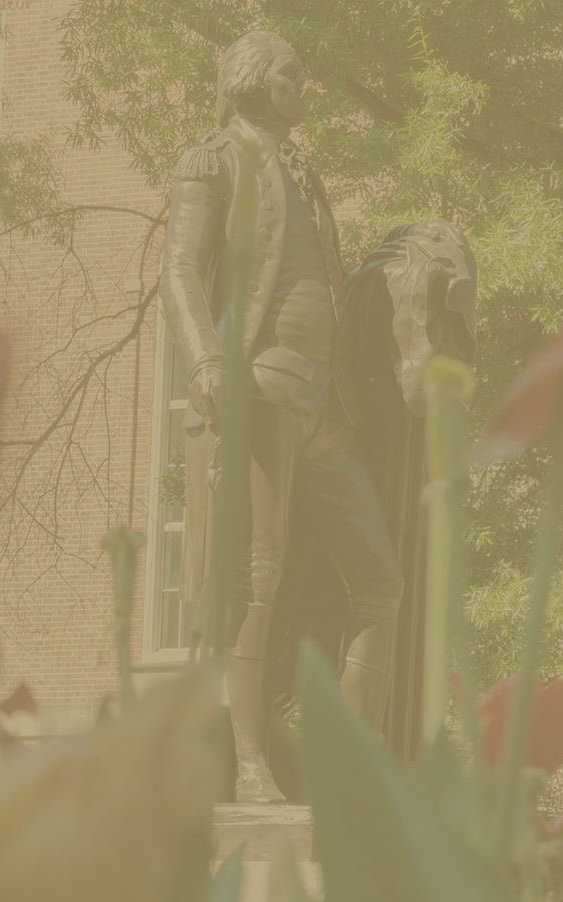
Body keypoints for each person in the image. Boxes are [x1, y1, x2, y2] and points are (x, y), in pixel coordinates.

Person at [158, 31, 403, 803]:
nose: (309, 87)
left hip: (327, 402)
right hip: (259, 390)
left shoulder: (303, 168)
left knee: (380, 583)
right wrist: (205, 365)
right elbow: (178, 270)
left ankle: (351, 768)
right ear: (258, 83)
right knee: (254, 585)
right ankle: (252, 766)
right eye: (296, 75)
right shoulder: (213, 159)